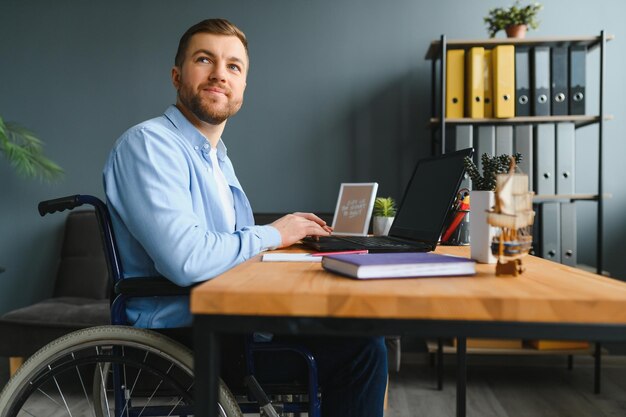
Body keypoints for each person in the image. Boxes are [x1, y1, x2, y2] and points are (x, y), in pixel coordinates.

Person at [103, 18, 387, 416]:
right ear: (176, 75)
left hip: (225, 325)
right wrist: (273, 233)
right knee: (362, 351)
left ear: (243, 87)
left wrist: (296, 243)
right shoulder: (148, 145)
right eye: (205, 60)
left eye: (234, 66)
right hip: (182, 337)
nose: (220, 74)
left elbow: (234, 253)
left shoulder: (217, 159)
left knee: (354, 331)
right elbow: (186, 261)